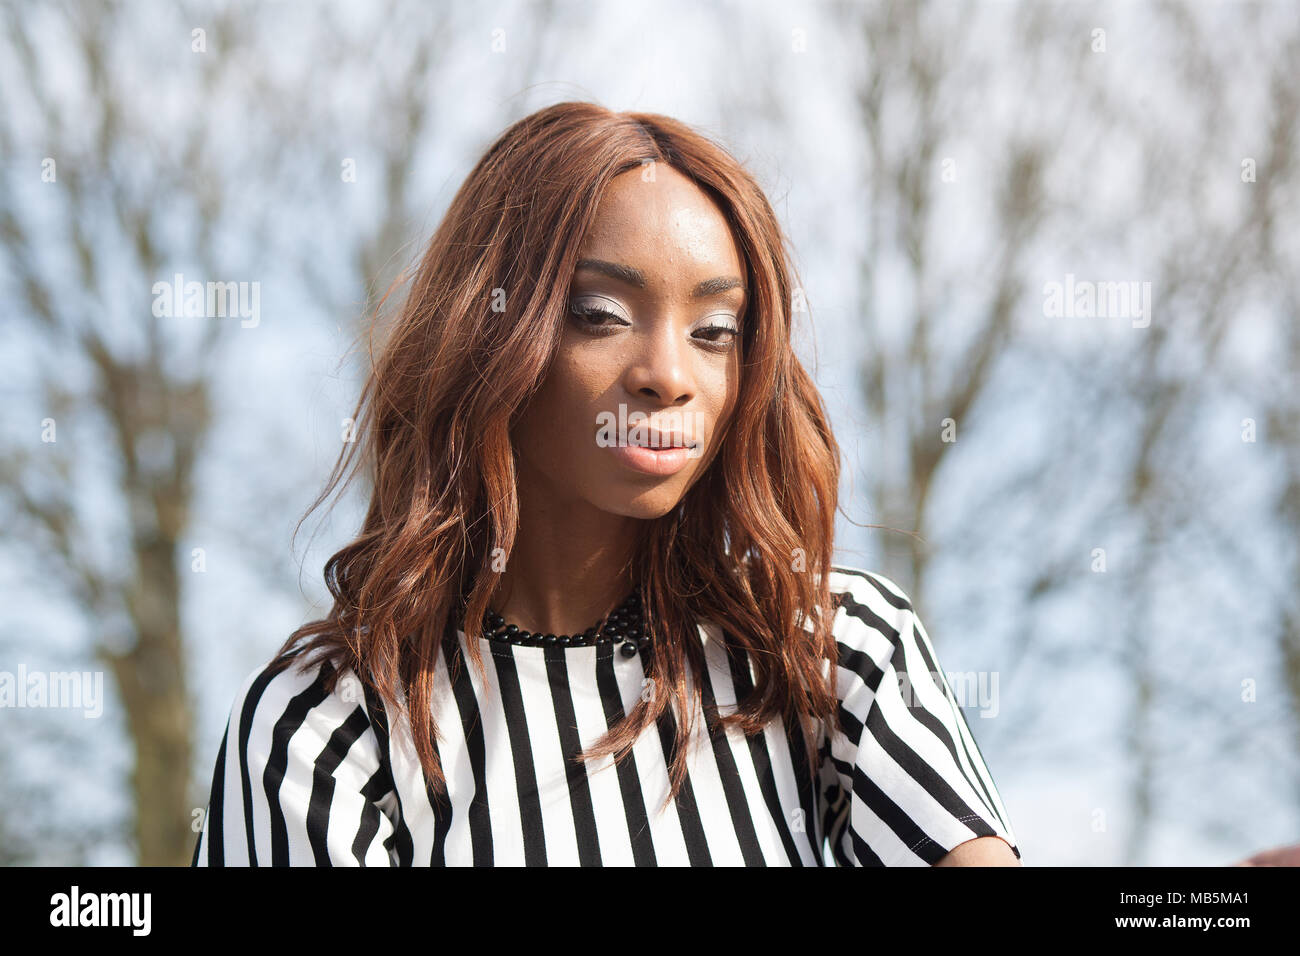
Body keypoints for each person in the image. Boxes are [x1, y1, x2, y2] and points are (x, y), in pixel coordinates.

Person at [191, 101, 1021, 867]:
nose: (668, 374)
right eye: (601, 314)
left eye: (715, 331)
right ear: (489, 334)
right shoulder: (325, 729)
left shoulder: (832, 651)